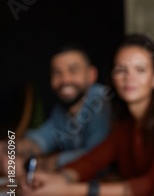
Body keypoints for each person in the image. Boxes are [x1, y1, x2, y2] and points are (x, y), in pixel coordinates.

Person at [21, 34, 154, 196]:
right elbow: (92, 161)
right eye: (121, 69)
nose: (128, 77)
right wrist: (60, 178)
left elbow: (153, 185)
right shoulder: (125, 123)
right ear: (113, 78)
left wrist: (69, 190)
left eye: (140, 69)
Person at [0, 46, 111, 174]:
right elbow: (40, 140)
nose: (65, 80)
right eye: (57, 73)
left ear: (91, 75)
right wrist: (4, 149)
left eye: (73, 70)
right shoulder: (62, 111)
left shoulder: (101, 101)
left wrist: (29, 165)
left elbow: (96, 158)